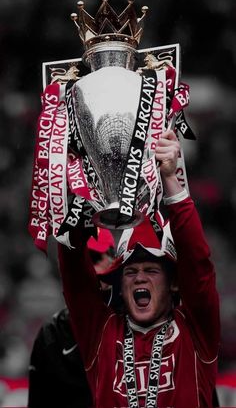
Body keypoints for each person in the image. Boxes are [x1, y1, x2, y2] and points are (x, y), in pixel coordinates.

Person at [58, 129, 220, 408]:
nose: (139, 278)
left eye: (151, 270)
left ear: (174, 283)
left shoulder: (194, 332)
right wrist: (77, 187)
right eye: (130, 272)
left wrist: (171, 180)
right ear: (120, 284)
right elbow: (75, 275)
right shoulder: (102, 332)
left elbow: (198, 266)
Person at [27, 228, 115, 408]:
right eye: (75, 261)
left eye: (94, 258)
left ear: (114, 263)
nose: (84, 268)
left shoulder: (132, 325)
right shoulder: (51, 335)